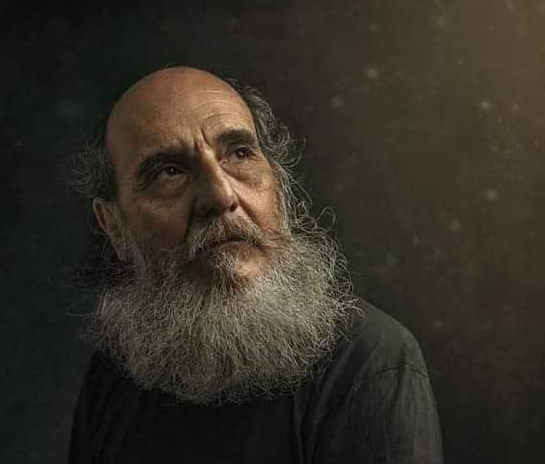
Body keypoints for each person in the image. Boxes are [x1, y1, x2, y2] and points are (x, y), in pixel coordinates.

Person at [68, 66, 443, 463]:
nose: (220, 195)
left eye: (240, 153)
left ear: (278, 185)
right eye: (169, 172)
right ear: (114, 226)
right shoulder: (121, 370)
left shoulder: (367, 362)